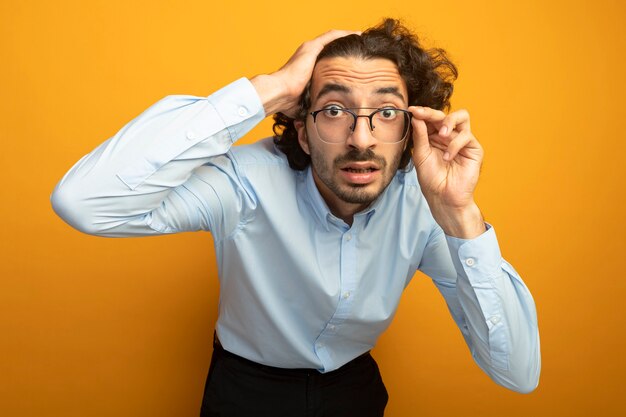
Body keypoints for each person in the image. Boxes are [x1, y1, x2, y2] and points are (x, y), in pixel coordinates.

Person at [51, 18, 540, 417]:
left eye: (387, 113)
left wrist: (460, 214)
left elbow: (517, 372)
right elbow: (84, 201)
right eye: (333, 109)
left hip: (355, 390)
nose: (361, 139)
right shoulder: (247, 180)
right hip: (245, 391)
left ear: (413, 131)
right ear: (302, 133)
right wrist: (269, 88)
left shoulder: (425, 201)